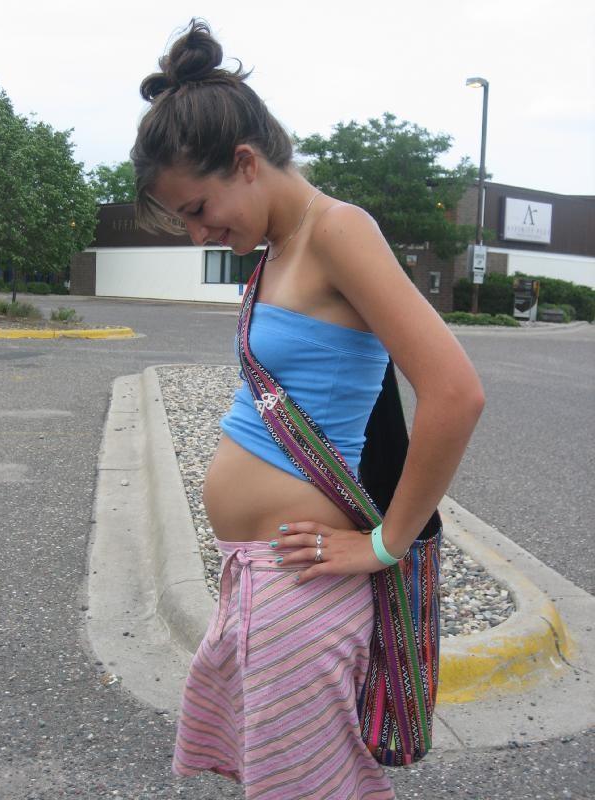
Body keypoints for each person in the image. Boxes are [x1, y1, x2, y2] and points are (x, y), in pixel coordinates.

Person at [131, 18, 485, 800]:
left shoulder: (338, 231)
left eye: (198, 207)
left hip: (303, 589)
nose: (196, 233)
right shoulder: (278, 252)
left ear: (246, 162)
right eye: (184, 219)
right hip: (260, 577)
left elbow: (455, 392)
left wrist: (387, 545)